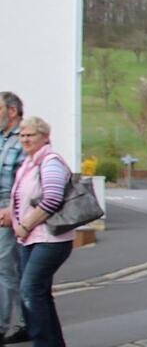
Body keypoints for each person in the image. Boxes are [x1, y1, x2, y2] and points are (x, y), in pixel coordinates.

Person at [11, 117, 73, 347]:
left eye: (31, 135)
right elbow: (21, 199)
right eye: (22, 135)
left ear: (45, 137)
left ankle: (43, 342)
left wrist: (25, 225)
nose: (25, 139)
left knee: (30, 291)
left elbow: (53, 199)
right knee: (39, 292)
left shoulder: (50, 162)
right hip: (31, 239)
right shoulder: (29, 163)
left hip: (50, 239)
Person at [0, 92, 27, 344]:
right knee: (13, 270)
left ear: (11, 111)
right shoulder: (1, 139)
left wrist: (11, 208)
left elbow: (26, 181)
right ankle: (28, 322)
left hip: (9, 210)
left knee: (5, 268)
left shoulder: (23, 140)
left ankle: (1, 325)